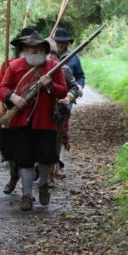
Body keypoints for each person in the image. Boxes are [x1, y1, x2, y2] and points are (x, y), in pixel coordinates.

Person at [0, 31, 67, 211]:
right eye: (31, 48)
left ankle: (43, 184)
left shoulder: (54, 67)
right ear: (25, 49)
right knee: (25, 159)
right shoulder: (14, 66)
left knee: (46, 158)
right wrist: (13, 98)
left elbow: (62, 91)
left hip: (46, 121)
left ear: (44, 50)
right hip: (21, 121)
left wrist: (50, 85)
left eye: (38, 48)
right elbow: (2, 88)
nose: (34, 51)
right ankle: (27, 195)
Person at [0, 26, 37, 195]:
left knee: (32, 149)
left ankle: (30, 185)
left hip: (32, 114)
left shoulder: (41, 66)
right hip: (11, 113)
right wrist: (2, 105)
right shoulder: (8, 64)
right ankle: (13, 176)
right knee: (10, 150)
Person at [46, 38, 82, 182]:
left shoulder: (64, 70)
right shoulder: (33, 69)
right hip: (38, 113)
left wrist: (67, 97)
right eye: (47, 53)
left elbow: (74, 88)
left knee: (56, 142)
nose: (50, 56)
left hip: (57, 114)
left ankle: (53, 169)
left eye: (53, 54)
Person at [52, 27, 85, 177]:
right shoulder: (47, 54)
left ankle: (59, 164)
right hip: (47, 99)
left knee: (62, 132)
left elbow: (80, 77)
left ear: (67, 43)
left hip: (65, 100)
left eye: (63, 42)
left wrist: (76, 90)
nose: (60, 45)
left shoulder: (73, 57)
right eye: (58, 42)